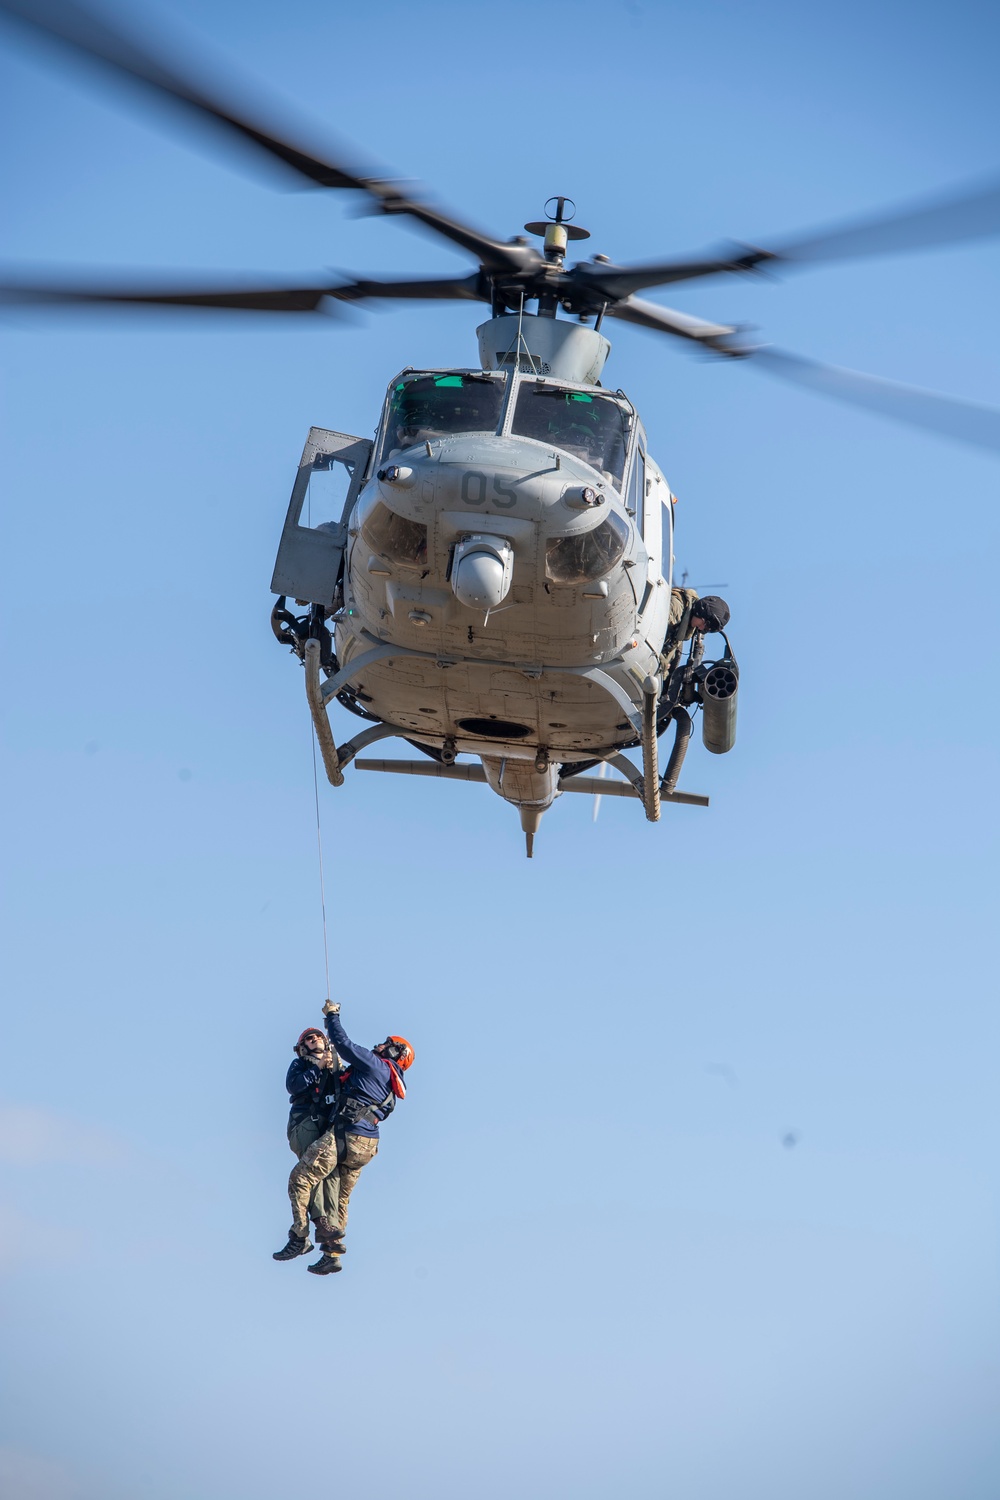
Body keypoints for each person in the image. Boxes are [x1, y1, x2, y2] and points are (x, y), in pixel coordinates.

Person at [279, 1001, 414, 1277]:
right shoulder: (390, 1082)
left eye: (387, 1043)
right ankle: (332, 1254)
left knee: (301, 1178)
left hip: (347, 1135)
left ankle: (299, 1235)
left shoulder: (377, 1065)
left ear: (395, 1052)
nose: (380, 1044)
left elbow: (343, 1043)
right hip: (368, 1146)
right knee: (339, 1198)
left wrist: (333, 1016)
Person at [271, 1027, 342, 1262]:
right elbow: (294, 1086)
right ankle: (314, 1227)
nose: (315, 1040)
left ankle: (331, 1239)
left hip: (327, 1127)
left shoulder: (336, 1066)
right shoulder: (300, 1065)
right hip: (305, 1123)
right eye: (309, 1039)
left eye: (318, 1036)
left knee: (331, 1180)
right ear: (303, 1047)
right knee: (310, 1177)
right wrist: (317, 1067)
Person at [660, 590, 731, 676]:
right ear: (701, 611)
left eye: (706, 629)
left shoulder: (680, 637)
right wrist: (659, 658)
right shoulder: (676, 607)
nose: (701, 628)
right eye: (705, 623)